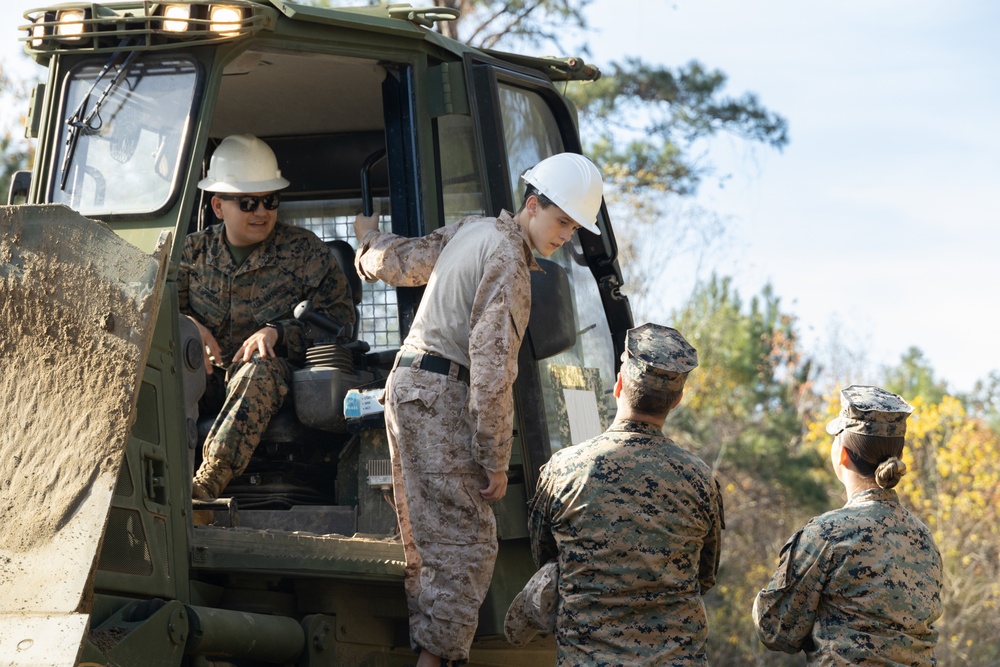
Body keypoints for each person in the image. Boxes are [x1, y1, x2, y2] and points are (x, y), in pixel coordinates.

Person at [352, 152, 605, 667]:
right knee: (467, 546)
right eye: (560, 221)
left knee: (433, 543)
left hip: (410, 387)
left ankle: (436, 655)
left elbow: (404, 261)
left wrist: (367, 246)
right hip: (440, 392)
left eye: (574, 228)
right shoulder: (510, 261)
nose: (565, 236)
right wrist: (494, 456)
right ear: (532, 205)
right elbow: (492, 368)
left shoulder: (475, 230)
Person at [508, 323, 725, 665]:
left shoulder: (564, 469)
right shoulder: (699, 479)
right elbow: (705, 576)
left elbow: (546, 556)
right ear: (677, 400)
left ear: (619, 385)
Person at [179, 134, 355, 500]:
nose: (262, 212)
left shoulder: (305, 252)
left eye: (270, 200)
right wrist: (188, 325)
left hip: (277, 381)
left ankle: (208, 483)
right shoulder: (190, 255)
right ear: (217, 206)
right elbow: (151, 312)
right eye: (248, 202)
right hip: (207, 379)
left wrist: (279, 332)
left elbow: (341, 321)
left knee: (259, 365)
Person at [753, 385, 943, 665]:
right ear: (898, 458)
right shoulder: (924, 537)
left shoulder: (827, 534)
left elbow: (776, 630)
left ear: (842, 453)